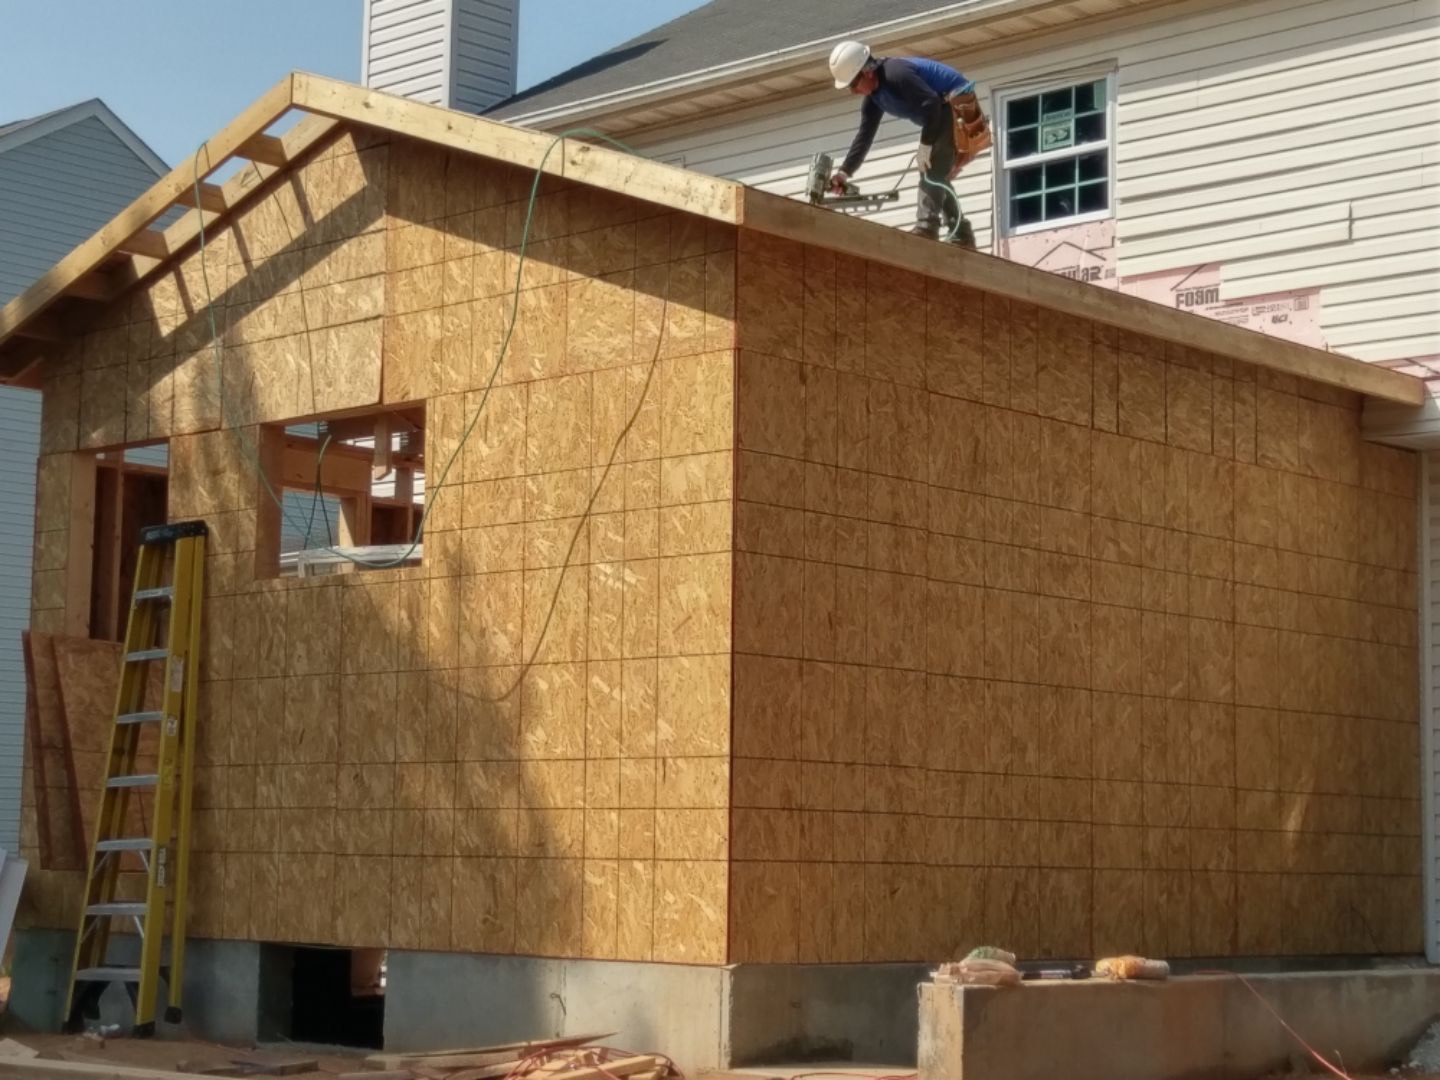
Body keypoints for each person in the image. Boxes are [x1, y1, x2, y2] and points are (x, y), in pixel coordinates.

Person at [827, 40, 988, 249]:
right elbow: (865, 135)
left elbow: (932, 104)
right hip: (940, 111)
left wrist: (926, 145)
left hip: (954, 103)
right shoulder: (874, 98)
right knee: (935, 172)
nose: (854, 91)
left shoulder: (896, 74)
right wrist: (844, 172)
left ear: (867, 71)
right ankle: (961, 234)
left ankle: (927, 228)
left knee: (931, 167)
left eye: (853, 84)